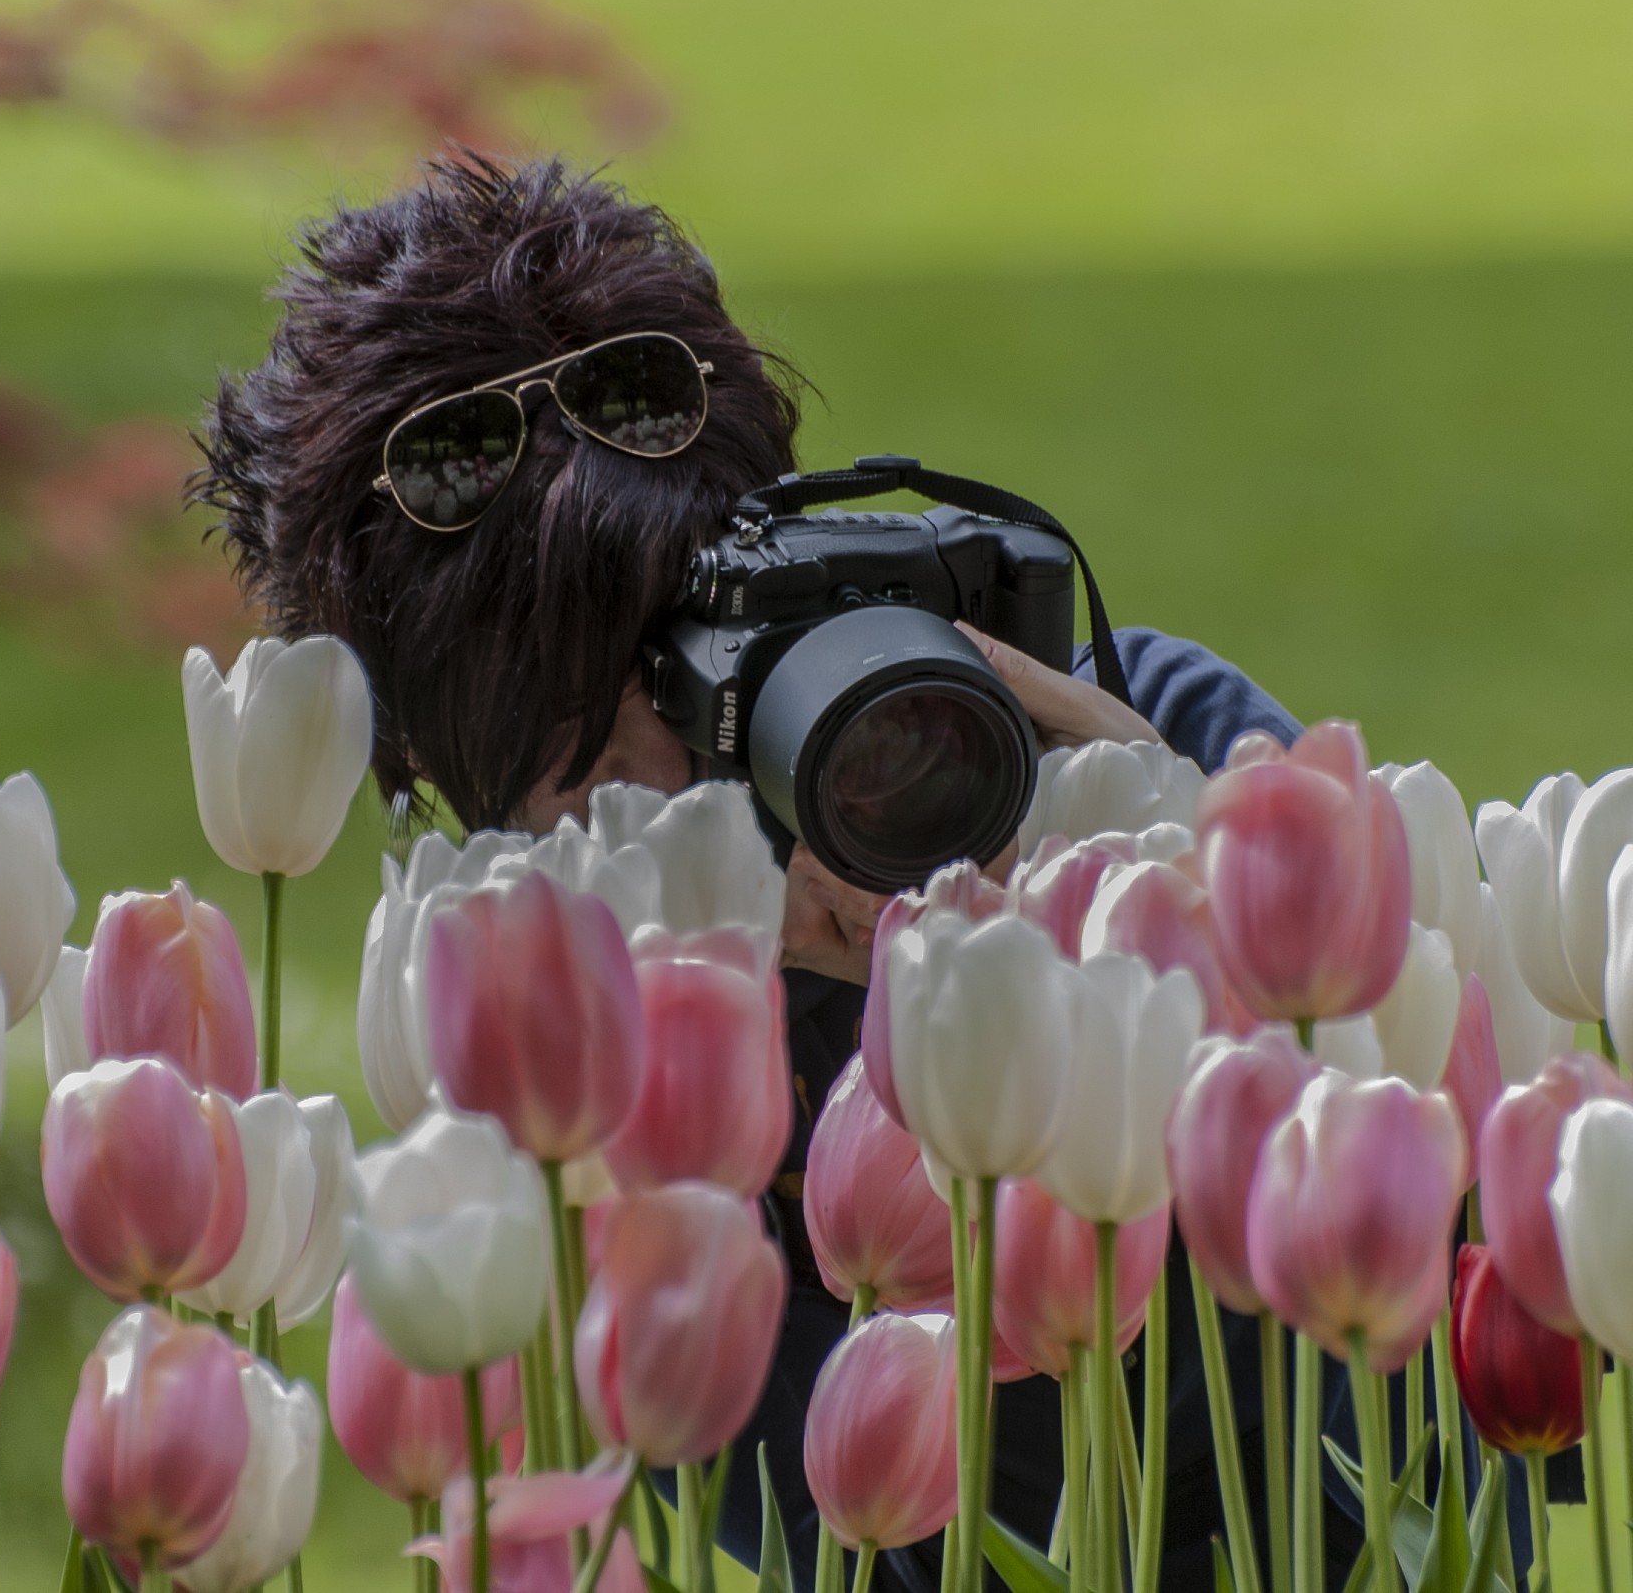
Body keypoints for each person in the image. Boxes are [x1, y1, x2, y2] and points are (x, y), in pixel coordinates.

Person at [195, 153, 1545, 1589]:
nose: (687, 775)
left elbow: (1408, 1430)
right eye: (587, 769)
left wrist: (1144, 924)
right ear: (465, 812)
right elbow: (851, 1530)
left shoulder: (1151, 772)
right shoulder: (571, 1054)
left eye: (700, 667)